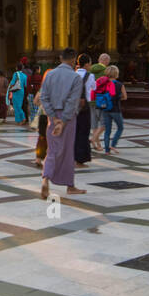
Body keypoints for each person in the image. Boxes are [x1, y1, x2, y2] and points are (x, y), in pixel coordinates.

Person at [39, 47, 86, 199]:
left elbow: (44, 97)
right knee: (67, 151)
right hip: (68, 118)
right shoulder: (75, 78)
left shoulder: (50, 74)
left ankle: (45, 179)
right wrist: (63, 121)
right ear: (73, 61)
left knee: (52, 150)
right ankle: (70, 186)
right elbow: (72, 102)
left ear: (60, 58)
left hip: (52, 118)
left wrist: (53, 118)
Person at [95, 64, 126, 154]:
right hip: (116, 109)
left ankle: (107, 150)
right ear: (116, 74)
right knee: (120, 127)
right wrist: (118, 98)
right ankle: (113, 144)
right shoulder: (120, 85)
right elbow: (125, 97)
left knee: (107, 130)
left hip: (105, 109)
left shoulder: (103, 84)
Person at [74, 53, 96, 167]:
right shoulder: (90, 76)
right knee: (83, 132)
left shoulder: (74, 74)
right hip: (85, 107)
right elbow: (94, 88)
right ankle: (80, 159)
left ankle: (73, 157)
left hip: (73, 107)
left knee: (74, 132)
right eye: (90, 63)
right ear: (87, 64)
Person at [91, 53, 111, 147]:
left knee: (94, 123)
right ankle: (94, 139)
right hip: (101, 100)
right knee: (104, 123)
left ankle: (97, 144)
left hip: (91, 99)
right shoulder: (106, 72)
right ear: (106, 60)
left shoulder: (90, 69)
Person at [8, 59, 29, 127]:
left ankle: (21, 119)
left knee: (16, 106)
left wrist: (10, 89)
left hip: (16, 91)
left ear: (16, 68)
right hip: (21, 91)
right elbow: (25, 85)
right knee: (19, 105)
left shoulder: (15, 74)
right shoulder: (24, 75)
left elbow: (12, 82)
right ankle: (20, 120)